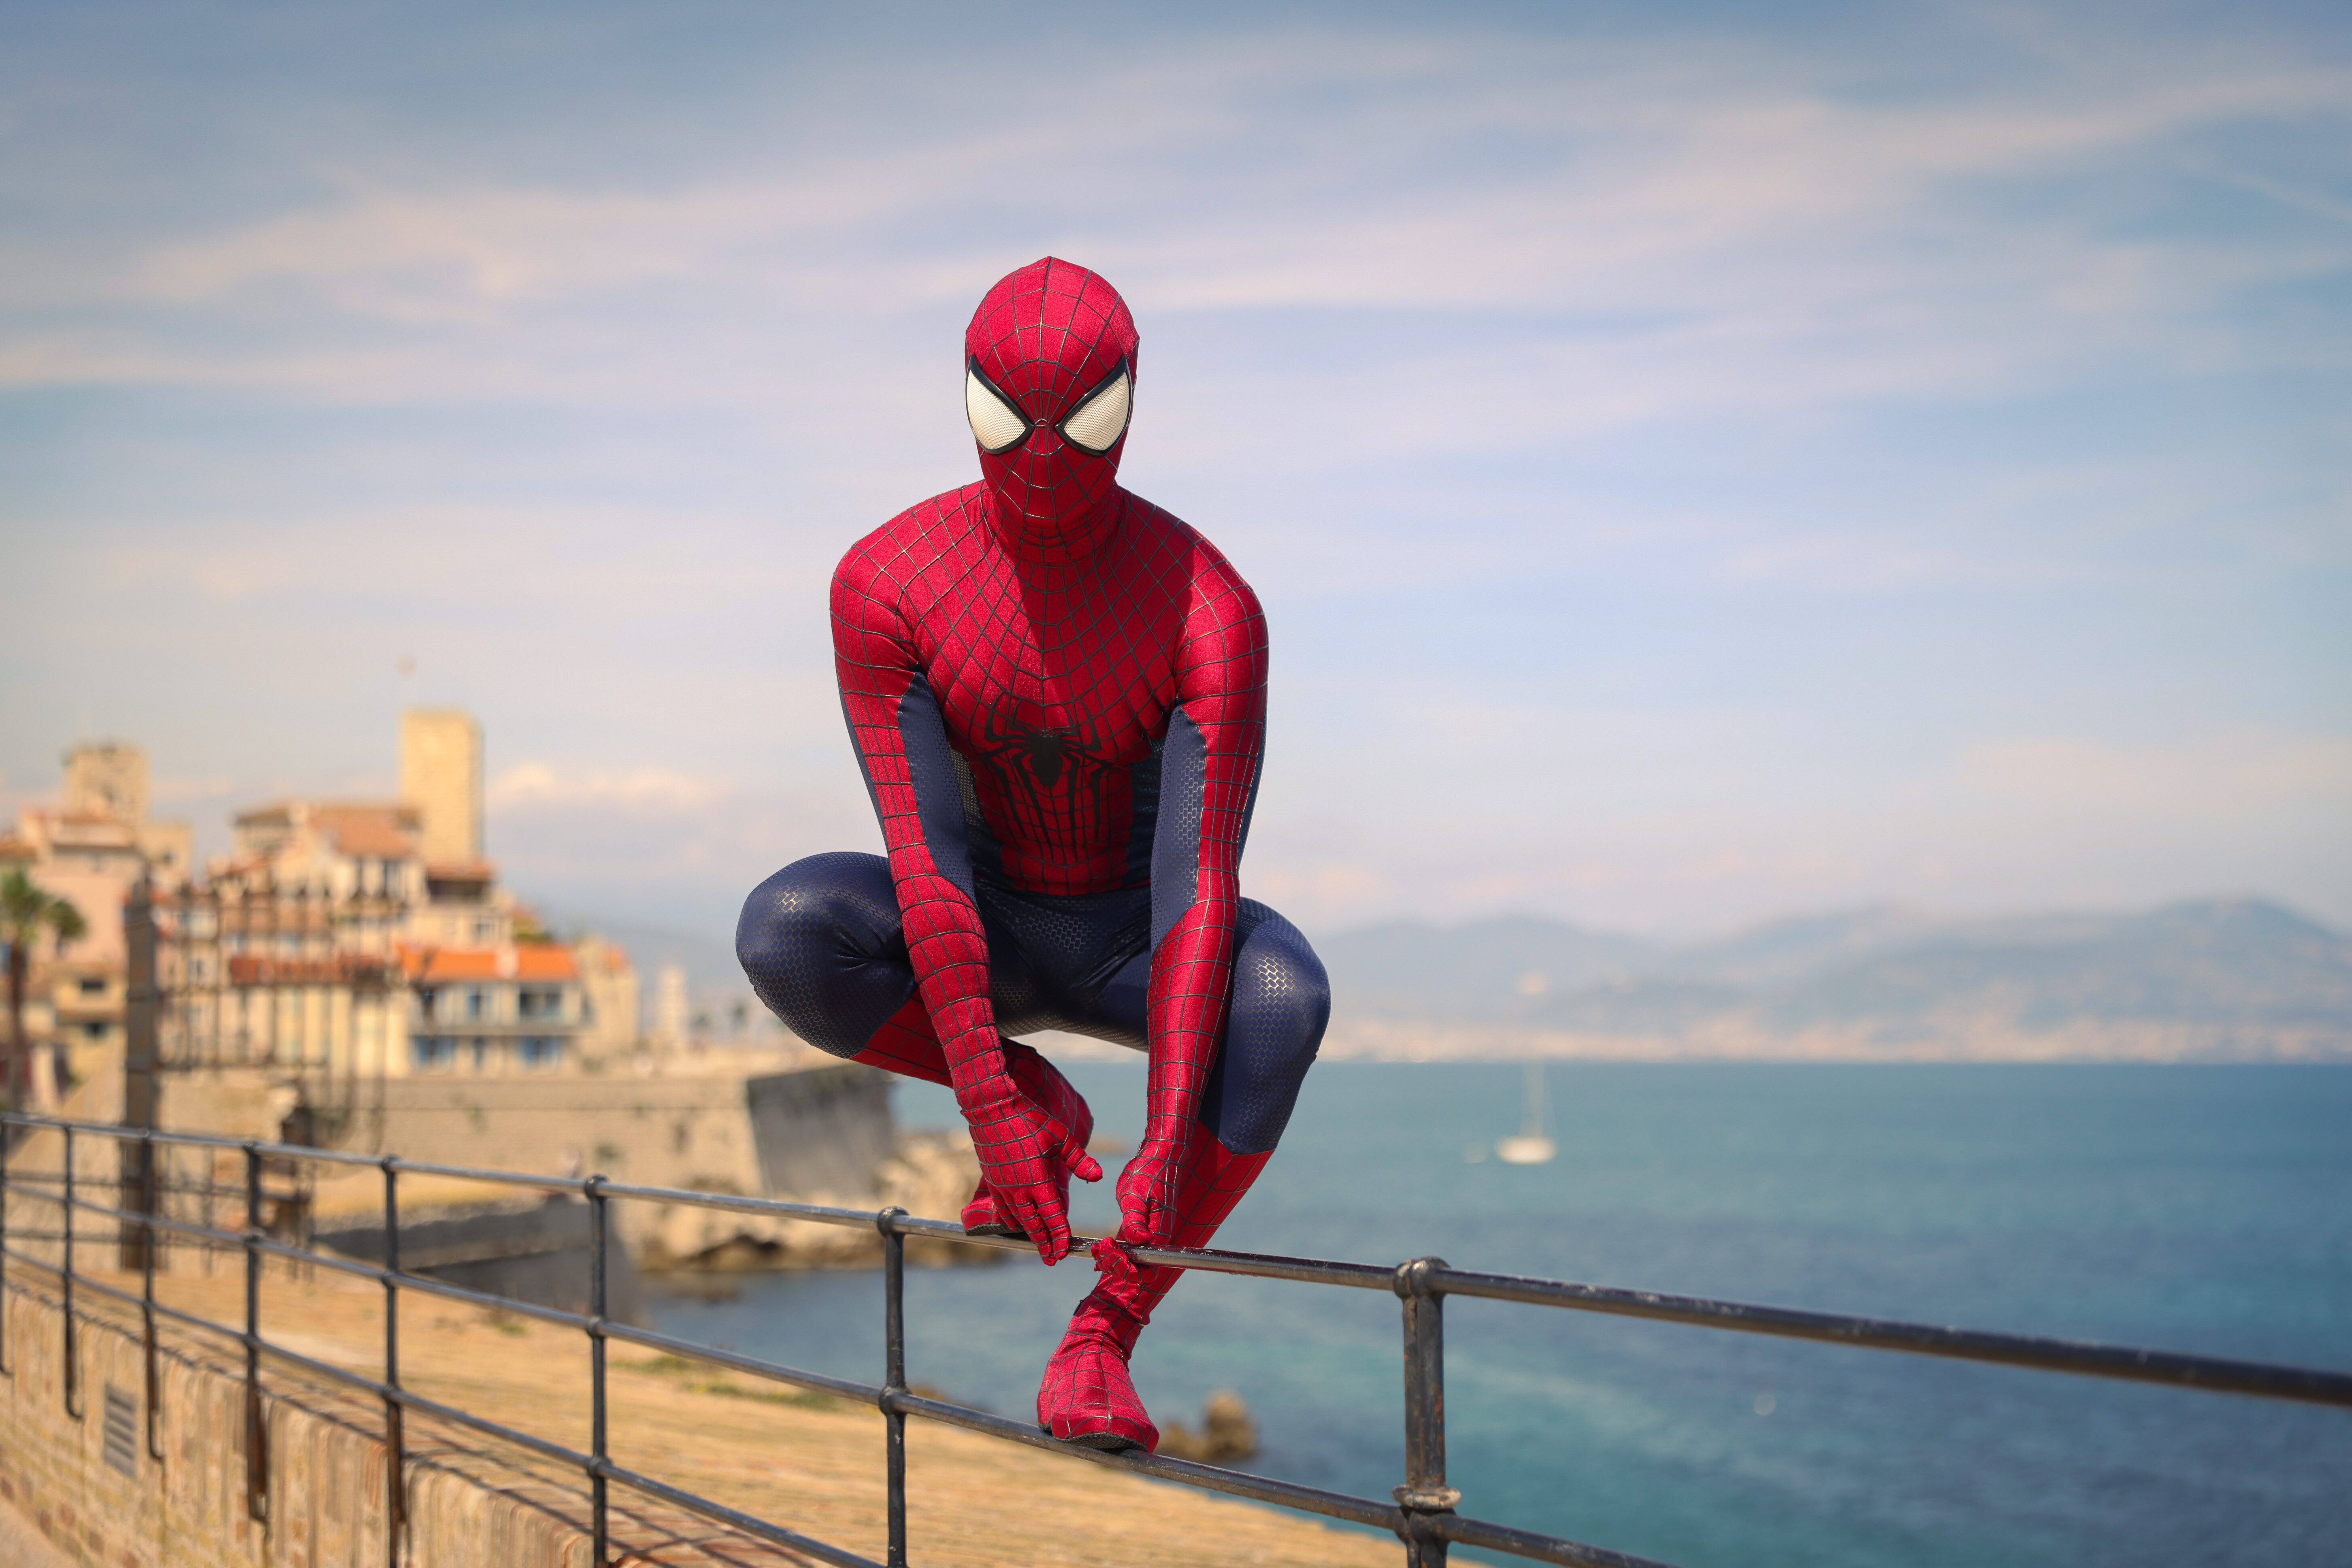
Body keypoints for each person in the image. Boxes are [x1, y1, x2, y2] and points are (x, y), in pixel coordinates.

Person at [737, 257, 1328, 1454]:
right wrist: (994, 1098)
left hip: (1132, 948)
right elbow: (927, 865)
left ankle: (1105, 1335)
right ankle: (1045, 1102)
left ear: (1129, 403)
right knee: (788, 928)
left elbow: (1196, 883)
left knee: (1284, 996)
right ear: (967, 400)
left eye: (1085, 420)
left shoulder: (1210, 606)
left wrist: (1166, 1134)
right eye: (1011, 422)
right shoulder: (888, 584)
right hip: (989, 930)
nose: (1045, 456)